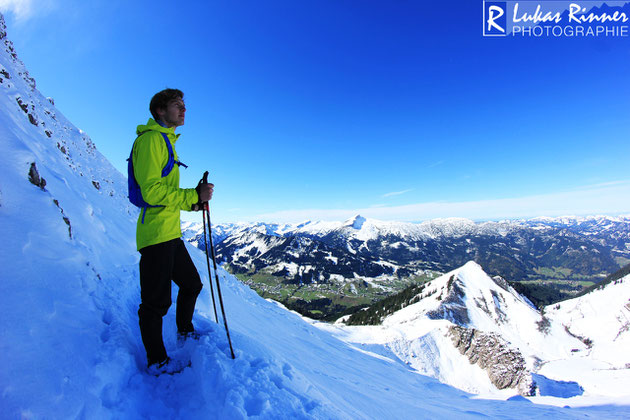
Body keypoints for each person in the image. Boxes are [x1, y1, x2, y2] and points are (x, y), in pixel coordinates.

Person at [132, 88, 213, 373]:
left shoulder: (166, 140)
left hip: (169, 232)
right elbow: (152, 191)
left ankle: (184, 332)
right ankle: (157, 362)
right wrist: (193, 195)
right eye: (177, 105)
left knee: (192, 284)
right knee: (156, 303)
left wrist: (193, 203)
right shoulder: (152, 140)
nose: (184, 109)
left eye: (184, 105)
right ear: (159, 111)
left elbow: (163, 192)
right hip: (156, 235)